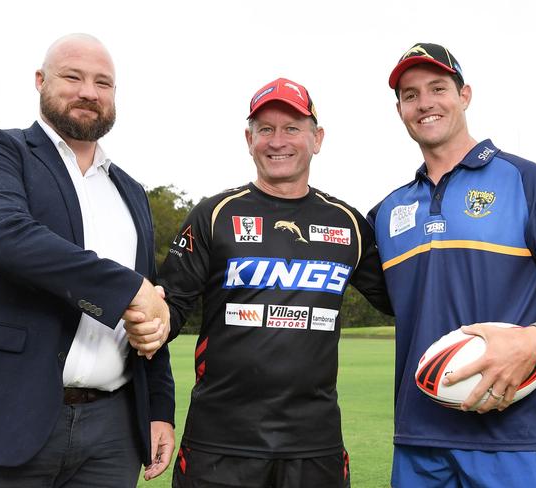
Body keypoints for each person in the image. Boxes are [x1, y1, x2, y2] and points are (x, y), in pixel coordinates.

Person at [126, 77, 392, 487]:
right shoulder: (214, 214)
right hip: (220, 443)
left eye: (291, 128)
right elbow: (169, 311)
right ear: (248, 140)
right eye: (265, 129)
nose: (277, 140)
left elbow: (406, 299)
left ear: (317, 138)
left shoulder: (349, 224)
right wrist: (146, 318)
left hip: (314, 446)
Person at [0, 33, 174, 487]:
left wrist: (159, 407)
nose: (89, 91)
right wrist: (128, 289)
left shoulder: (131, 192)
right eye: (73, 76)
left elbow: (149, 310)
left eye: (103, 83)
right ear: (41, 80)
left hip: (111, 432)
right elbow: (5, 239)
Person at [368, 42, 536, 487]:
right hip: (419, 441)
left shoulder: (524, 180)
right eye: (410, 95)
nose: (425, 103)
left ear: (464, 95)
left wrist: (534, 340)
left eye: (437, 88)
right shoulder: (388, 212)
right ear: (400, 111)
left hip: (515, 438)